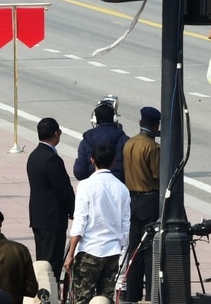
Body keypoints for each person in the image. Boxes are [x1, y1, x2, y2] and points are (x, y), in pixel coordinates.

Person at [64, 144, 130, 304]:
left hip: (89, 250)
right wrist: (121, 248)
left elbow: (80, 222)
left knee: (82, 298)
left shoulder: (86, 186)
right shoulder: (122, 188)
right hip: (112, 251)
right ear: (113, 162)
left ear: (92, 160)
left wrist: (71, 253)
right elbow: (125, 224)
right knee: (106, 298)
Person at [119, 107, 160, 302]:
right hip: (149, 199)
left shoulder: (129, 143)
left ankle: (133, 294)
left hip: (131, 199)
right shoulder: (151, 147)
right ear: (155, 125)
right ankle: (151, 292)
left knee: (134, 250)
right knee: (150, 249)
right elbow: (158, 175)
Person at [25, 117, 73, 278]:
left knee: (42, 260)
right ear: (56, 134)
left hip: (39, 217)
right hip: (52, 219)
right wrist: (73, 209)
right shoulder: (51, 159)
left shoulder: (34, 155)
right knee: (52, 263)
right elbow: (63, 188)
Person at [72, 100, 127, 182]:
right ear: (114, 118)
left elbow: (80, 172)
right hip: (120, 184)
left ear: (94, 120)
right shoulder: (124, 140)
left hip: (93, 186)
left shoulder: (85, 142)